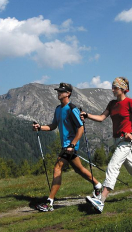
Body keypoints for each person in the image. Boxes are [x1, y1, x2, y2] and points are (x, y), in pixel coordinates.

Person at [83, 77, 132, 213]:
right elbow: (102, 117)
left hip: (126, 141)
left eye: (115, 87)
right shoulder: (112, 104)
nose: (112, 90)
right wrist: (87, 115)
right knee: (131, 167)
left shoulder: (130, 102)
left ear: (122, 89)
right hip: (117, 140)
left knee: (113, 166)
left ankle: (101, 200)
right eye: (113, 87)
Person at [32, 82, 102, 212]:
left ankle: (50, 203)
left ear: (68, 93)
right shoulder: (58, 109)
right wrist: (40, 127)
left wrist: (72, 144)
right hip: (66, 146)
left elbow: (80, 128)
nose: (58, 93)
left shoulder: (72, 109)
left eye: (61, 91)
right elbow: (53, 126)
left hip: (70, 146)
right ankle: (97, 185)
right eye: (58, 91)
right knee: (79, 169)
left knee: (57, 167)